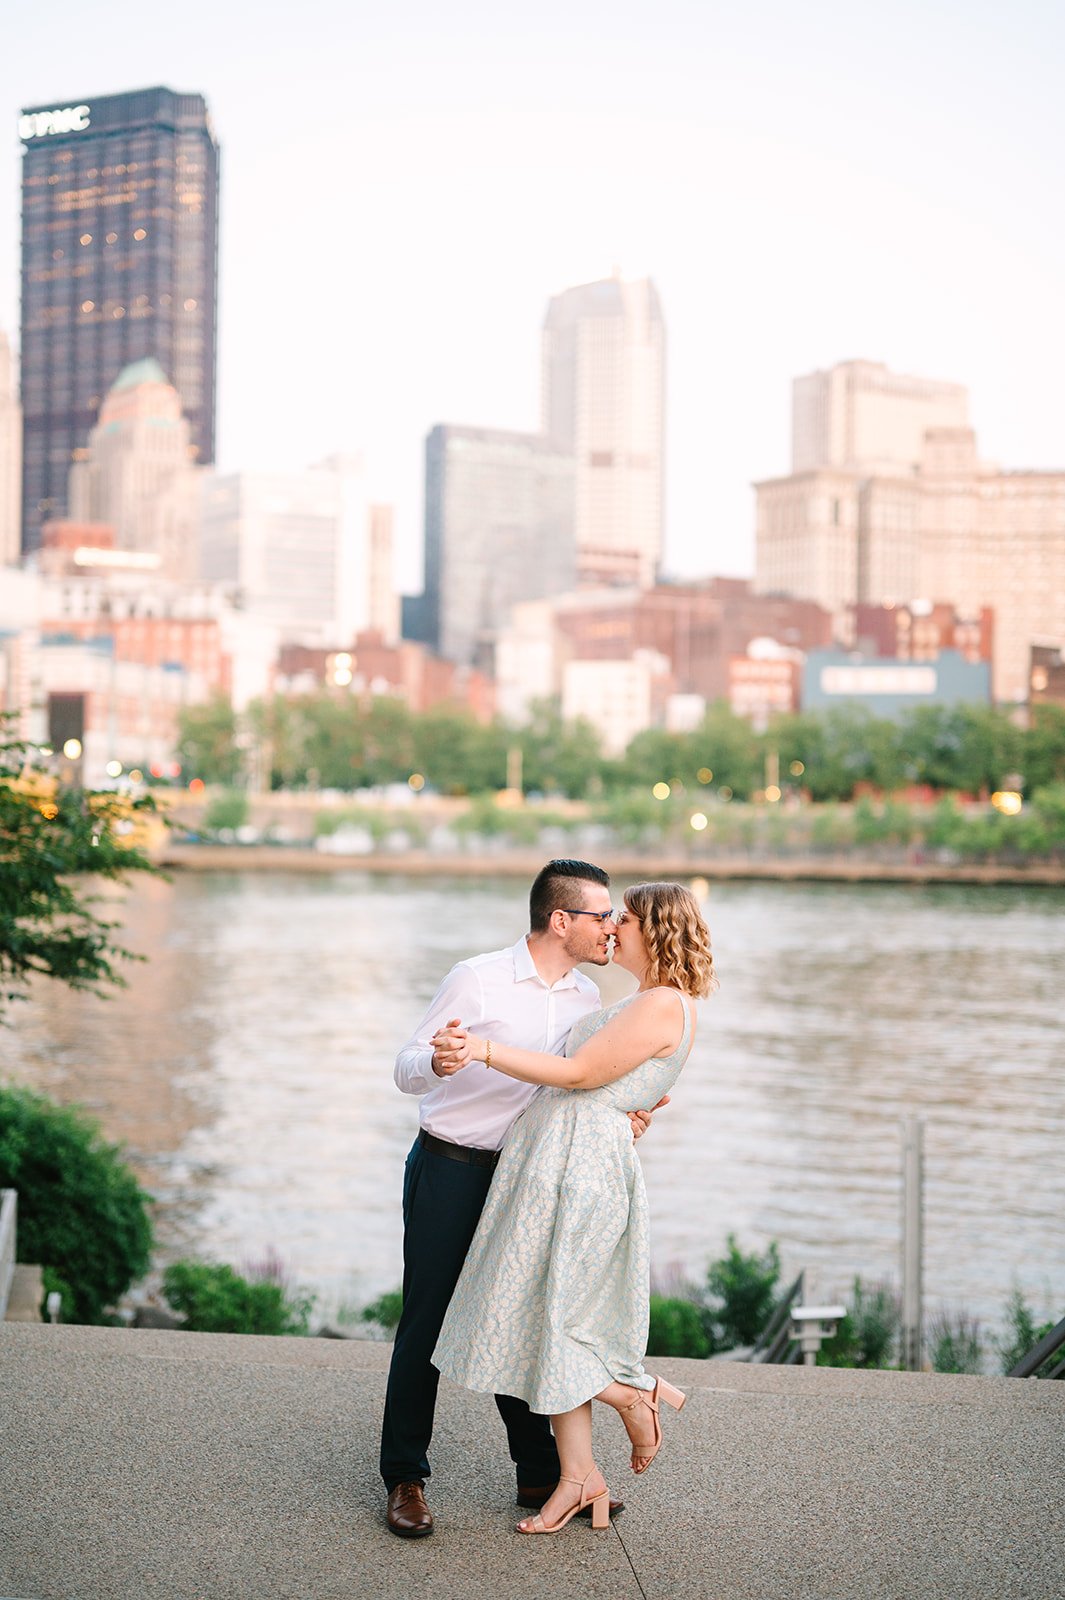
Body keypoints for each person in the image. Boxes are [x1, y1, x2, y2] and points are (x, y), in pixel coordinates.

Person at [380, 859, 661, 1538]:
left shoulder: (585, 1002)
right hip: (450, 1168)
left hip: (528, 1178)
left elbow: (577, 1089)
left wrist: (625, 1116)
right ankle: (404, 1479)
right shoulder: (476, 978)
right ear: (559, 919)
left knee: (520, 1313)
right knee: (426, 1323)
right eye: (601, 915)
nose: (611, 929)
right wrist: (437, 1061)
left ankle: (538, 1473)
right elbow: (405, 1067)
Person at [430, 880, 716, 1537]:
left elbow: (583, 1075)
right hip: (556, 1160)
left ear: (656, 929)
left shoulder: (663, 1004)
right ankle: (578, 1478)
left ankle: (630, 1394)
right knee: (546, 1310)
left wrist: (483, 1048)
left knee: (559, 1316)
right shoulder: (641, 1000)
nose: (613, 925)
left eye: (627, 916)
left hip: (578, 1170)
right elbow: (605, 1086)